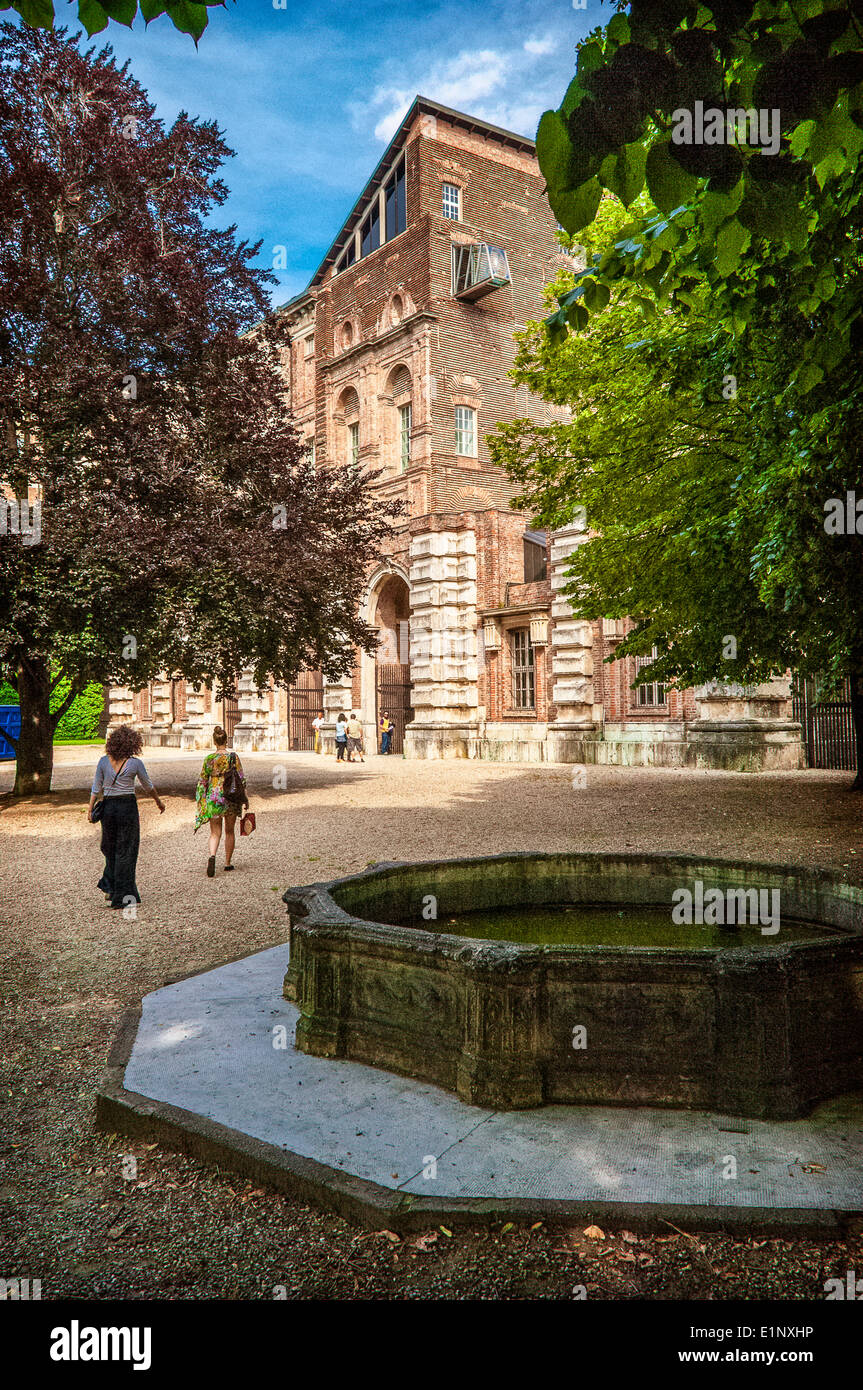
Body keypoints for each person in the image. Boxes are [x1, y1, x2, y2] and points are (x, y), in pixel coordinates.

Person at [89, 726, 164, 909]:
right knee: (127, 849)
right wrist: (158, 802)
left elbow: (96, 788)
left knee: (110, 847)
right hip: (127, 807)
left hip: (108, 808)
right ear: (132, 744)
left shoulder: (103, 761)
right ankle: (122, 894)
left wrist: (90, 809)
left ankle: (111, 887)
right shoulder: (135, 763)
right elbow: (148, 785)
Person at [195, 725, 248, 876]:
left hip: (214, 798)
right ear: (226, 740)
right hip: (230, 797)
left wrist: (202, 800)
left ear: (214, 741)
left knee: (214, 832)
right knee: (229, 831)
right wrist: (245, 798)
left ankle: (212, 856)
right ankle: (227, 863)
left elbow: (202, 781)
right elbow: (241, 779)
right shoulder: (233, 757)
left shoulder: (209, 759)